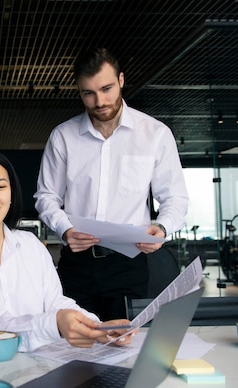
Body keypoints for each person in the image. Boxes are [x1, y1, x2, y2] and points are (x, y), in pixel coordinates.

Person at [34, 47, 189, 320]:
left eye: (106, 88)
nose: (99, 101)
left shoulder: (155, 134)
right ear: (79, 91)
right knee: (73, 346)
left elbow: (175, 198)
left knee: (122, 344)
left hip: (129, 264)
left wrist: (163, 227)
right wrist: (65, 229)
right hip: (76, 263)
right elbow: (46, 196)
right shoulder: (63, 136)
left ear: (121, 80)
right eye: (88, 93)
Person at [0, 148, 133, 353]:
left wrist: (97, 327)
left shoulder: (30, 245)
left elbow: (54, 302)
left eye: (0, 186)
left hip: (44, 363)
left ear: (11, 193)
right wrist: (54, 323)